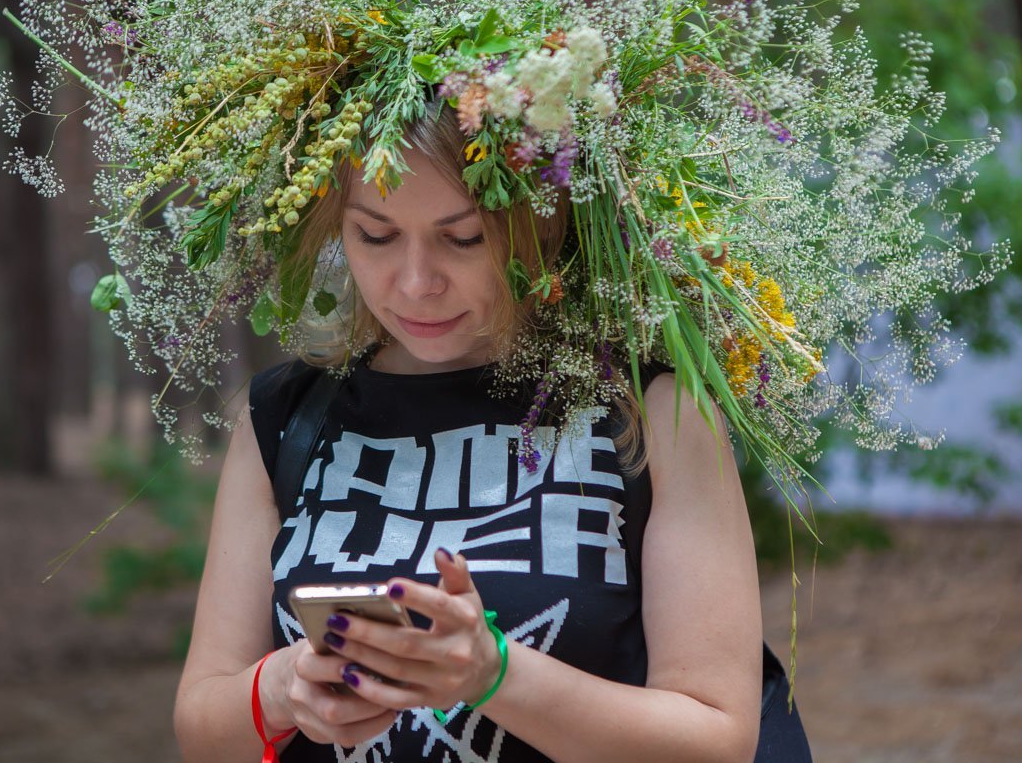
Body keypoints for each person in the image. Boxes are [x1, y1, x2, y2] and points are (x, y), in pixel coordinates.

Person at [172, 105, 766, 763]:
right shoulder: (285, 416)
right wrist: (282, 689)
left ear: (539, 223)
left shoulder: (653, 410)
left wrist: (496, 676)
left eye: (463, 239)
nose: (417, 282)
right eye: (376, 236)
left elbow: (718, 739)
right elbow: (202, 727)